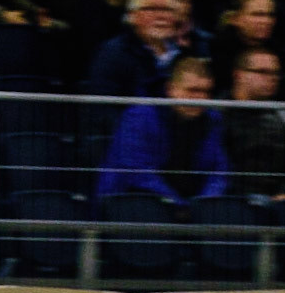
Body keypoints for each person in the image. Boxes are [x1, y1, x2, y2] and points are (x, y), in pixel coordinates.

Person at [97, 55, 229, 204]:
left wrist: (204, 204)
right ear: (170, 89)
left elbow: (218, 171)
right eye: (192, 90)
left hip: (190, 208)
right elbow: (137, 171)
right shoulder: (139, 117)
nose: (200, 98)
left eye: (206, 92)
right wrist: (178, 205)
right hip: (134, 203)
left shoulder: (212, 120)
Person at [222, 47, 285, 200]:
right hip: (230, 200)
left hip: (275, 202)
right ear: (238, 75)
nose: (272, 78)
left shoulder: (284, 119)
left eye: (275, 73)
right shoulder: (217, 113)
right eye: (262, 72)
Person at [86, 0, 180, 96]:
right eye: (152, 9)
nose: (161, 16)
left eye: (167, 10)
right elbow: (102, 105)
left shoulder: (185, 53)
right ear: (133, 16)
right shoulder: (113, 53)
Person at [210, 0, 280, 84]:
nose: (266, 21)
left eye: (270, 15)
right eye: (257, 15)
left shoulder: (282, 53)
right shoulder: (215, 52)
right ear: (235, 19)